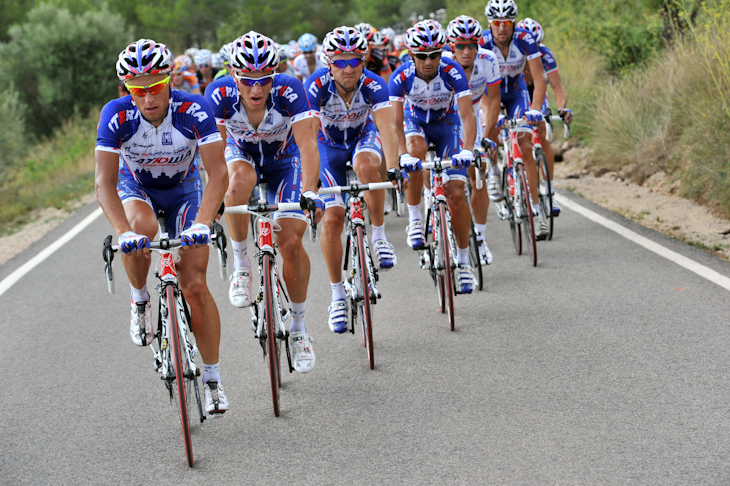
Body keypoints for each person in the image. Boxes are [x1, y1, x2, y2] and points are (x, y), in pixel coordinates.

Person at [95, 39, 230, 413]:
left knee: (195, 285)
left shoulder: (194, 108)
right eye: (137, 89)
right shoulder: (116, 113)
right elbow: (104, 183)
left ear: (169, 79)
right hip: (136, 187)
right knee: (140, 226)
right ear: (127, 90)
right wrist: (123, 233)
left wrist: (203, 222)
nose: (148, 97)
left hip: (185, 189)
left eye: (155, 86)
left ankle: (213, 379)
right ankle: (140, 300)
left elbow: (219, 172)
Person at [205, 31, 323, 373]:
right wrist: (211, 204)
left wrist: (311, 191)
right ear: (233, 75)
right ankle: (242, 265)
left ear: (274, 75)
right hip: (242, 155)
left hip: (285, 160)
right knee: (235, 184)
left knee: (290, 241)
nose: (256, 90)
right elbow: (214, 162)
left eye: (264, 80)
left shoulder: (289, 89)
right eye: (247, 81)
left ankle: (299, 328)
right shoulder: (219, 94)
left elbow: (308, 146)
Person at [305, 26, 407, 333]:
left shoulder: (375, 85)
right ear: (329, 64)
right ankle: (337, 294)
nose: (348, 68)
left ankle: (378, 235)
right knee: (334, 218)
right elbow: (308, 139)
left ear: (363, 62)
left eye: (354, 61)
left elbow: (387, 130)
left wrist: (394, 168)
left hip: (363, 138)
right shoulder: (315, 86)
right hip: (328, 148)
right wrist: (309, 187)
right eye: (340, 62)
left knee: (366, 166)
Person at [389, 21, 479, 294]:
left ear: (441, 54)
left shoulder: (452, 71)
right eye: (422, 55)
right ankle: (416, 219)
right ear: (411, 55)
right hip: (414, 123)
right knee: (415, 153)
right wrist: (402, 156)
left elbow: (467, 115)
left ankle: (463, 264)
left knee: (456, 192)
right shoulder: (400, 77)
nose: (429, 61)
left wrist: (468, 149)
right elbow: (394, 123)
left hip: (446, 125)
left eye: (434, 55)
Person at [481, 0, 549, 238]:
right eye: (497, 23)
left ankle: (536, 208)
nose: (502, 28)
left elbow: (539, 79)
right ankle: (494, 173)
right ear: (490, 24)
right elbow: (476, 85)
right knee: (490, 133)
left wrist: (536, 109)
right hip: (489, 96)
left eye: (507, 23)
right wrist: (492, 113)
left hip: (517, 94)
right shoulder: (482, 43)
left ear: (514, 23)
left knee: (525, 144)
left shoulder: (525, 39)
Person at [445, 15, 501, 265]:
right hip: (445, 119)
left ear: (478, 44)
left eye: (471, 45)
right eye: (460, 46)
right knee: (438, 172)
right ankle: (431, 205)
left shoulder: (488, 60)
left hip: (473, 116)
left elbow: (495, 100)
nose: (466, 51)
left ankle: (480, 237)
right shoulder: (441, 63)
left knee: (478, 173)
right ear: (451, 46)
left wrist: (487, 137)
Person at [517, 17, 573, 218]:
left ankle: (549, 191)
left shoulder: (545, 54)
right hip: (518, 92)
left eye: (538, 45)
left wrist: (562, 109)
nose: (534, 49)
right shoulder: (511, 55)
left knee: (542, 132)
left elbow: (557, 86)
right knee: (514, 134)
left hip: (537, 92)